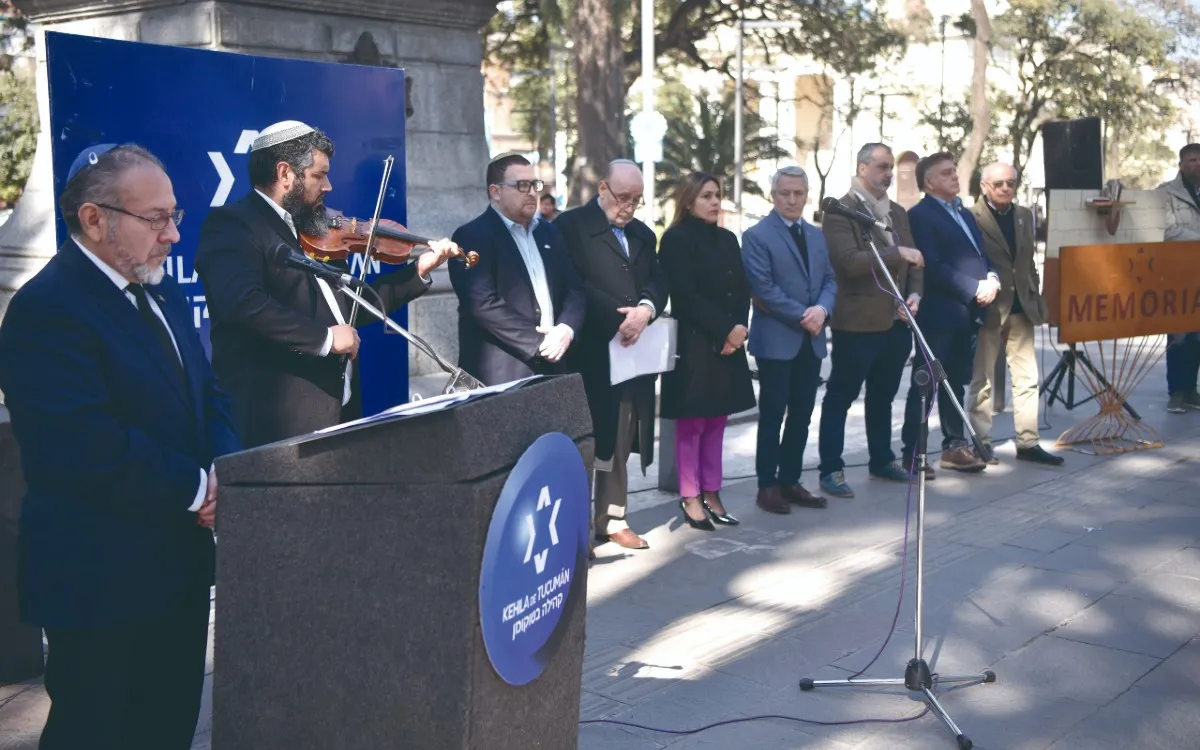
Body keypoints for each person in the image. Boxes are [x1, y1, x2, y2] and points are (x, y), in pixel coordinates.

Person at [0, 144, 241, 749]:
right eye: (155, 219)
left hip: (178, 570)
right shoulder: (46, 310)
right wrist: (197, 490)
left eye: (174, 215)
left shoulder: (163, 293)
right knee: (99, 732)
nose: (173, 235)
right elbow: (82, 445)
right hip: (100, 581)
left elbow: (210, 395)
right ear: (94, 219)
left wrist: (225, 473)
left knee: (168, 726)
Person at [194, 120, 463, 447]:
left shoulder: (315, 227)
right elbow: (244, 305)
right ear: (285, 174)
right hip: (278, 426)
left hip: (341, 411)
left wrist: (418, 271)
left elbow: (349, 308)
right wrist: (323, 338)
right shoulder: (232, 226)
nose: (329, 186)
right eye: (319, 175)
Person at [555, 159, 667, 551]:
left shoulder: (642, 234)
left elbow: (656, 279)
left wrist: (646, 310)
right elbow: (571, 283)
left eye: (637, 199)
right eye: (623, 197)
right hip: (589, 349)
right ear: (602, 189)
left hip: (631, 353)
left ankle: (612, 516)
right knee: (587, 438)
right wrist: (619, 318)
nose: (630, 206)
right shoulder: (570, 228)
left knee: (621, 434)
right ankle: (576, 527)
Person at [817, 143, 924, 498]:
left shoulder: (896, 212)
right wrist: (895, 253)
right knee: (841, 396)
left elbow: (915, 260)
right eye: (881, 166)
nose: (888, 173)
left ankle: (882, 459)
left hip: (896, 321)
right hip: (858, 321)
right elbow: (849, 261)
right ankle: (831, 468)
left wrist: (914, 295)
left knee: (884, 394)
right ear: (862, 168)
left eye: (890, 167)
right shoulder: (841, 211)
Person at [658, 172, 756, 530]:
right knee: (692, 424)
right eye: (706, 196)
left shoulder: (728, 239)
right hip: (695, 344)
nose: (715, 202)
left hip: (729, 343)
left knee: (717, 421)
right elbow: (684, 296)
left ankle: (712, 491)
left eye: (717, 195)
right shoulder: (675, 240)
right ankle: (690, 495)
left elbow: (742, 288)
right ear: (688, 201)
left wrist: (739, 329)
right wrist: (725, 329)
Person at [742, 165, 837, 514]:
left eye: (798, 193)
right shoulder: (756, 235)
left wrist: (823, 311)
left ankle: (790, 479)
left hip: (811, 339)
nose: (792, 199)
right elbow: (763, 288)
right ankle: (767, 486)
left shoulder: (816, 235)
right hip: (778, 340)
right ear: (773, 195)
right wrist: (806, 315)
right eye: (785, 193)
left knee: (802, 414)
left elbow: (829, 280)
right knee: (772, 414)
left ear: (806, 194)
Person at [900, 152, 998, 477]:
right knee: (926, 383)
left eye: (955, 171)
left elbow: (982, 254)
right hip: (938, 313)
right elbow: (934, 266)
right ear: (929, 182)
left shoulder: (965, 214)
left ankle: (954, 447)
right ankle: (913, 453)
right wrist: (973, 288)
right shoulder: (921, 215)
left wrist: (993, 279)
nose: (955, 177)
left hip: (968, 314)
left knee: (956, 382)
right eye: (946, 173)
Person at [448, 153, 584, 385]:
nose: (532, 192)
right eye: (522, 185)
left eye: (534, 184)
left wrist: (566, 329)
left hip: (555, 367)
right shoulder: (471, 236)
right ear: (495, 192)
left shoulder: (548, 232)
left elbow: (574, 289)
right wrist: (539, 342)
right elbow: (482, 304)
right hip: (501, 373)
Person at [967, 162, 1063, 466]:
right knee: (982, 380)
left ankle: (1028, 441)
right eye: (999, 184)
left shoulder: (1023, 216)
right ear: (984, 187)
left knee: (1027, 378)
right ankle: (981, 442)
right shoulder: (971, 217)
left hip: (1022, 307)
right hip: (989, 309)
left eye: (1011, 183)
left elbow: (1027, 260)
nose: (1006, 188)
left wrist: (1034, 292)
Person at [1157, 143, 1200, 413]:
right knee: (1179, 334)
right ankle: (1177, 392)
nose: (1197, 165)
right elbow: (1167, 230)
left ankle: (1192, 391)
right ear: (1181, 163)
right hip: (1179, 274)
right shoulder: (1166, 193)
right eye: (1192, 160)